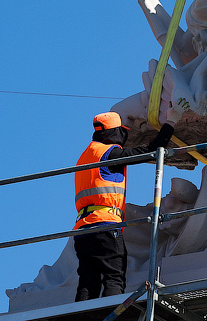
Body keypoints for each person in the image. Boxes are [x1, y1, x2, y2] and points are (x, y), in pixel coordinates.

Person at [73, 112, 175, 301]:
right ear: (114, 132)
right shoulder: (109, 153)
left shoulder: (85, 156)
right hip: (106, 225)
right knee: (114, 278)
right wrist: (171, 122)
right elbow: (153, 150)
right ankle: (112, 314)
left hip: (82, 230)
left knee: (88, 282)